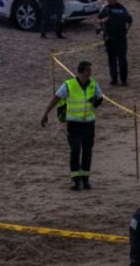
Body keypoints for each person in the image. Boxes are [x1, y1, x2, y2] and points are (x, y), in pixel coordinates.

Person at [41, 60, 104, 190]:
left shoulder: (93, 83)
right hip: (74, 124)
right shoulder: (68, 85)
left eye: (90, 70)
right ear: (81, 71)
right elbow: (56, 98)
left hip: (89, 123)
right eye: (88, 70)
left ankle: (85, 179)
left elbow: (99, 98)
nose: (90, 72)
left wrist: (96, 101)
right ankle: (75, 179)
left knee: (87, 151)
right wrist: (46, 113)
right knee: (75, 149)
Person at [97, 0, 133, 86]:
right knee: (117, 59)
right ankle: (117, 80)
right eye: (108, 0)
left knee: (118, 60)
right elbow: (130, 21)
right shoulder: (122, 8)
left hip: (114, 38)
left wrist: (102, 25)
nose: (108, 1)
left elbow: (99, 19)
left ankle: (119, 80)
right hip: (116, 38)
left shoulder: (108, 9)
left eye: (110, 0)